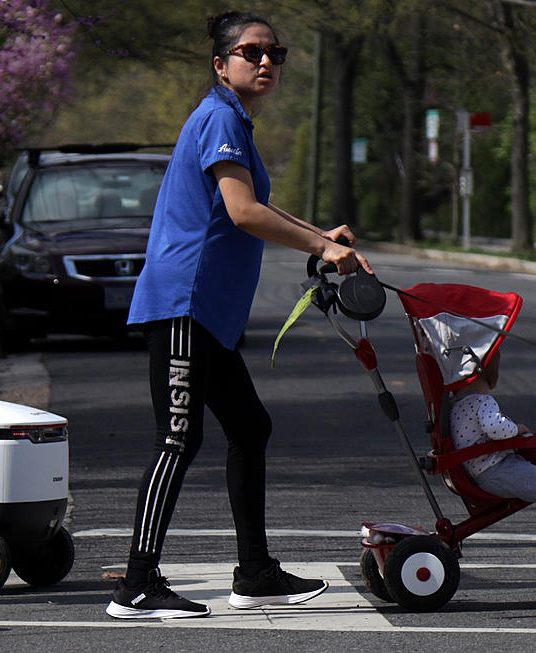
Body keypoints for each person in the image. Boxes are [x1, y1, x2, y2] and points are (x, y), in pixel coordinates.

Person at [105, 10, 371, 620]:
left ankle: (254, 574)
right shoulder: (220, 117)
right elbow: (244, 212)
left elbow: (253, 206)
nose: (267, 62)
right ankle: (137, 585)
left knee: (249, 428)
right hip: (184, 305)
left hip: (209, 318)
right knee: (178, 438)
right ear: (221, 65)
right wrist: (322, 247)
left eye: (275, 52)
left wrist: (320, 233)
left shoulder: (234, 123)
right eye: (252, 52)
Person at [449, 350, 536, 502]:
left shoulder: (455, 405)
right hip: (496, 469)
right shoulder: (482, 401)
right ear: (493, 378)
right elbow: (495, 428)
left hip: (476, 472)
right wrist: (516, 429)